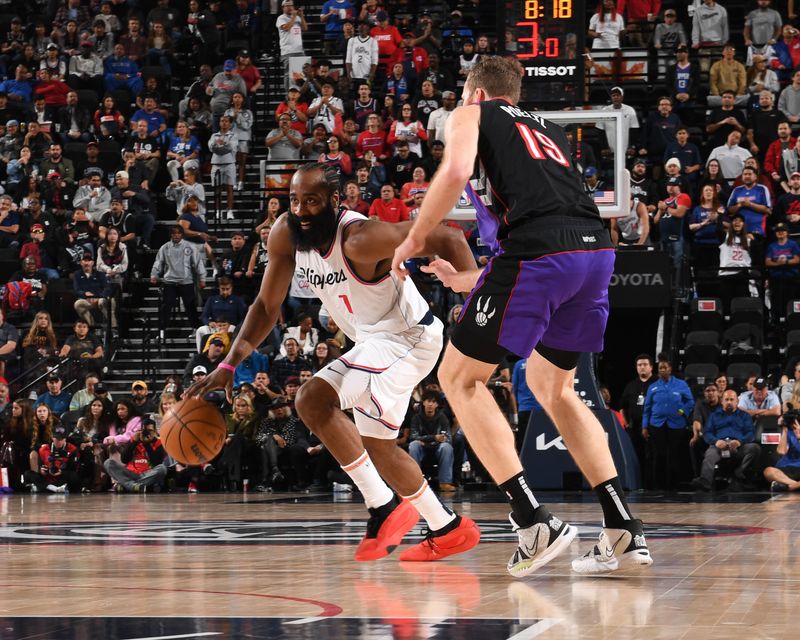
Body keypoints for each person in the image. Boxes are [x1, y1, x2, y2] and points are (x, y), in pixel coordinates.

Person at [390, 56, 652, 576]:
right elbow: (548, 223)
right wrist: (468, 280)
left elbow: (457, 172)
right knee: (553, 385)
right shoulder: (549, 131)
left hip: (540, 256)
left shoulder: (471, 114)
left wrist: (415, 236)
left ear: (476, 92)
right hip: (593, 254)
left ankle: (533, 520)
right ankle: (622, 526)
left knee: (459, 378)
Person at [187, 162, 480, 563]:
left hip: (410, 337)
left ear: (335, 201)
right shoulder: (286, 236)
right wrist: (227, 365)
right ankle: (447, 527)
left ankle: (383, 506)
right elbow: (266, 305)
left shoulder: (360, 239)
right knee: (379, 447)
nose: (302, 210)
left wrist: (474, 307)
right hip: (373, 341)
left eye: (312, 201)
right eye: (294, 200)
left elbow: (446, 236)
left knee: (311, 399)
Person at [642, 357, 694, 491]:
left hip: (676, 425)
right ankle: (658, 486)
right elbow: (647, 408)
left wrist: (683, 410)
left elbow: (690, 402)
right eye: (660, 368)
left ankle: (674, 485)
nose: (662, 370)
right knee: (659, 455)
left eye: (665, 367)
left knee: (674, 455)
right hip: (656, 425)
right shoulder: (653, 387)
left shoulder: (681, 384)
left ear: (670, 369)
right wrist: (644, 426)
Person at [692, 389, 760, 491]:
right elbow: (707, 433)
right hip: (719, 446)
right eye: (726, 399)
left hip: (738, 446)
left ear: (737, 401)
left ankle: (740, 472)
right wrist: (716, 441)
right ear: (722, 401)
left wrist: (739, 441)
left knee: (755, 448)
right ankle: (705, 482)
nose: (729, 402)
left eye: (732, 399)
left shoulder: (745, 416)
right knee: (710, 454)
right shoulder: (714, 415)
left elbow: (751, 433)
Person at [150, 225, 205, 341]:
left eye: (178, 233)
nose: (176, 235)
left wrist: (202, 278)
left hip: (186, 281)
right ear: (170, 235)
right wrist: (154, 274)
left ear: (182, 234)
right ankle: (161, 331)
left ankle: (195, 328)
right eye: (174, 233)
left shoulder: (190, 247)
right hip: (170, 281)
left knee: (190, 306)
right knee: (166, 306)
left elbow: (198, 263)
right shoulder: (165, 248)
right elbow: (158, 262)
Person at [103, 417, 167, 493]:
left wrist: (146, 444)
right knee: (108, 463)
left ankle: (127, 485)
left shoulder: (159, 443)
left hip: (148, 474)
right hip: (131, 473)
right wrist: (133, 443)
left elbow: (156, 462)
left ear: (155, 432)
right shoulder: (134, 440)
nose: (146, 433)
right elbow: (124, 460)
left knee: (162, 469)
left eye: (150, 431)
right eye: (144, 431)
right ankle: (134, 486)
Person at [764, 413, 800, 491]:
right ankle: (795, 485)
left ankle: (789, 486)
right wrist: (785, 430)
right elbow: (781, 451)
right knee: (768, 471)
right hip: (788, 468)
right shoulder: (790, 431)